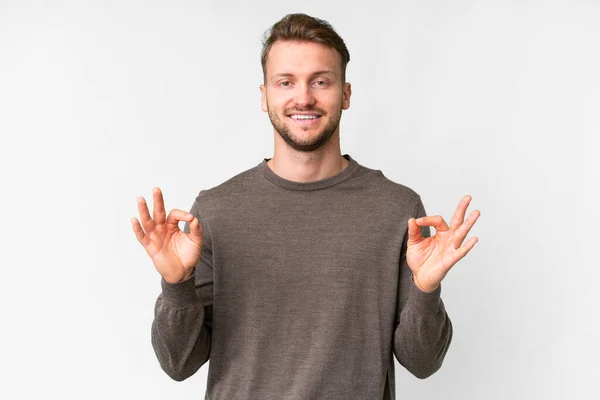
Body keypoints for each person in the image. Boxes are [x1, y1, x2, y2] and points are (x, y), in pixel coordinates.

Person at [131, 13, 480, 400]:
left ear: (345, 94)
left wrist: (426, 288)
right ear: (264, 96)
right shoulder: (217, 211)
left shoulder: (396, 208)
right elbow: (178, 364)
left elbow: (422, 361)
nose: (304, 98)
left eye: (320, 81)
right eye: (286, 82)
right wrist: (176, 286)